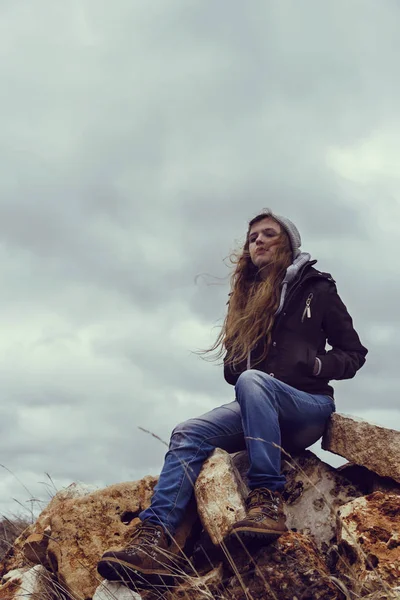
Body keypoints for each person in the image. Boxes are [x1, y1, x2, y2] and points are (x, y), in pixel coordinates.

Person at [97, 209, 368, 587]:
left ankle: (266, 500)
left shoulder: (317, 288)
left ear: (288, 244)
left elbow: (354, 353)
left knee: (254, 382)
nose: (257, 241)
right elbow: (233, 371)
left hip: (307, 406)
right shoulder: (245, 296)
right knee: (187, 431)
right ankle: (155, 540)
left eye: (268, 234)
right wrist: (239, 355)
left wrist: (317, 364)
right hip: (257, 407)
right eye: (252, 236)